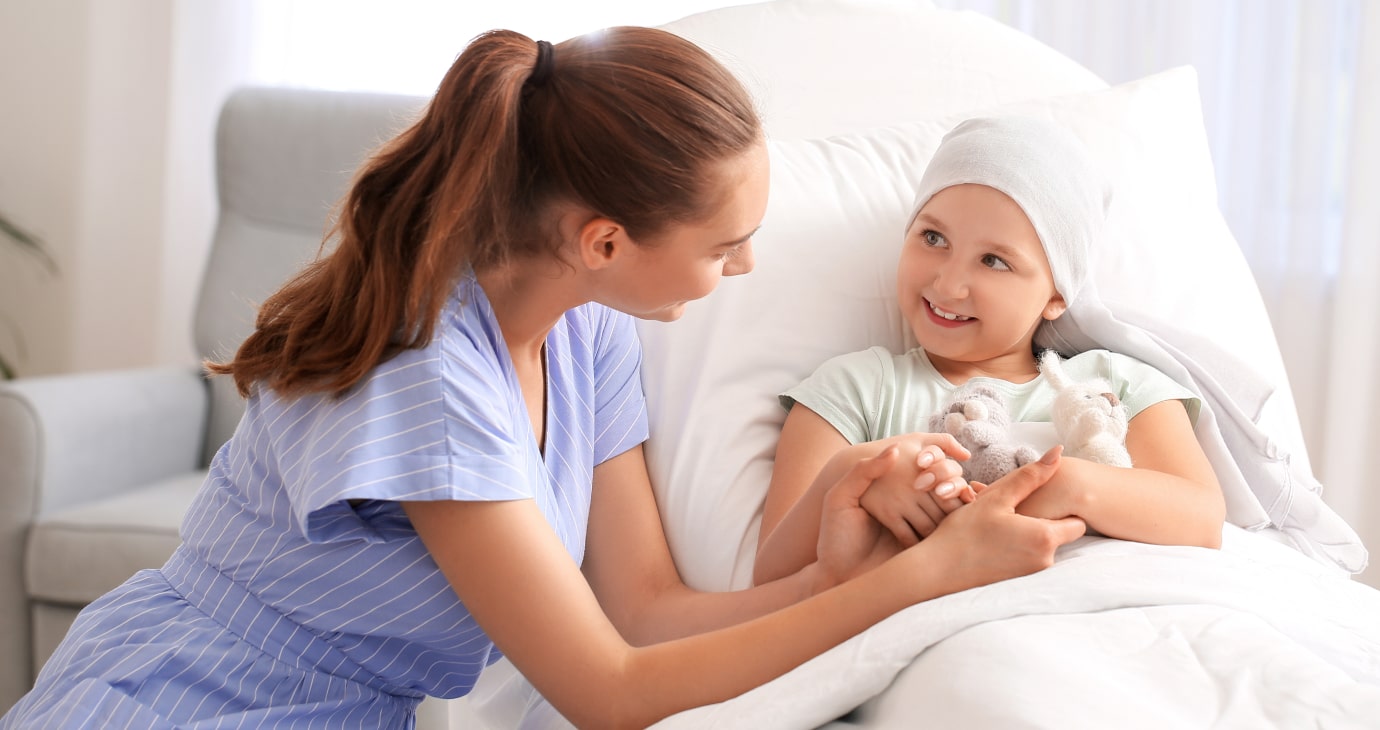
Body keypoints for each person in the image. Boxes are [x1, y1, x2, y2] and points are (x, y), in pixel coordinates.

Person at [1, 32, 1089, 730]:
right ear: (606, 240)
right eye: (725, 246)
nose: (745, 266)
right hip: (184, 706)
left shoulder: (585, 332)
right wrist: (930, 574)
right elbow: (606, 690)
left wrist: (840, 576)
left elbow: (647, 613)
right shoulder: (428, 379)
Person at [754, 115, 1226, 587]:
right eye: (933, 238)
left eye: (994, 261)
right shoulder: (857, 388)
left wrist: (1062, 486)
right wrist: (859, 481)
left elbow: (1201, 517)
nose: (948, 284)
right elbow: (773, 577)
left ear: (1058, 295)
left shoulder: (1112, 383)